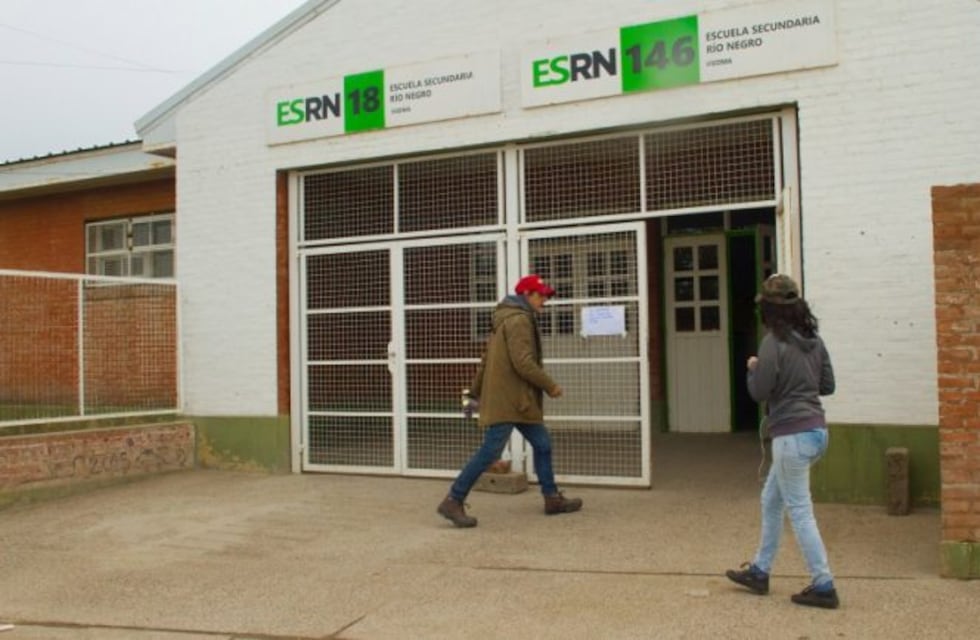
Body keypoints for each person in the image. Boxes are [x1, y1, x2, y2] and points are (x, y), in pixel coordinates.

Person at [726, 274, 839, 609]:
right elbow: (827, 385)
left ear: (769, 309)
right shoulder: (814, 339)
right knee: (771, 499)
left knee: (800, 512)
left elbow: (759, 391)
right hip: (817, 432)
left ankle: (824, 585)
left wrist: (753, 369)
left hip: (791, 435)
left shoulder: (772, 343)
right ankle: (760, 571)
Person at [437, 274, 583, 528]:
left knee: (543, 444)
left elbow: (486, 361)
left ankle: (552, 498)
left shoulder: (505, 318)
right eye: (541, 296)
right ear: (527, 295)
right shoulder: (518, 320)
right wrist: (551, 386)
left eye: (546, 296)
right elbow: (523, 362)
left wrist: (473, 393)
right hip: (510, 399)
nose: (544, 301)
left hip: (518, 400)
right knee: (490, 452)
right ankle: (453, 500)